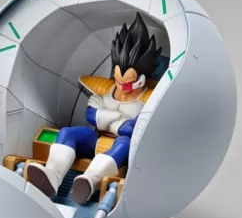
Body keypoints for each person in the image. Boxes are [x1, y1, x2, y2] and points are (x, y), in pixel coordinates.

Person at [27, 12, 162, 205]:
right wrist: (118, 121)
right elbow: (91, 114)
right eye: (118, 79)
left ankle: (89, 182)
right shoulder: (105, 91)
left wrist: (107, 119)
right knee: (67, 133)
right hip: (96, 139)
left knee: (124, 142)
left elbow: (132, 129)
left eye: (128, 82)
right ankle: (52, 176)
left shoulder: (147, 100)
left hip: (122, 148)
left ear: (141, 79)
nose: (122, 87)